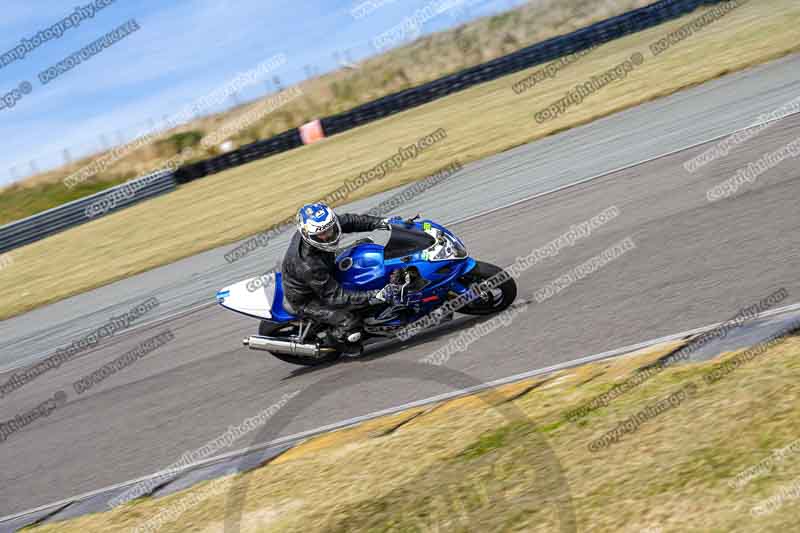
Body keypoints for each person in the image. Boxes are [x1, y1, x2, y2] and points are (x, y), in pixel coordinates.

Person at [280, 202, 402, 351]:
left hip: (324, 268)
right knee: (350, 322)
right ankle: (337, 343)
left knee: (362, 248)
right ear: (308, 235)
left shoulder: (322, 225)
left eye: (329, 229)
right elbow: (337, 297)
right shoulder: (308, 264)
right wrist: (377, 295)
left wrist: (382, 223)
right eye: (321, 234)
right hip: (308, 299)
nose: (327, 236)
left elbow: (350, 221)